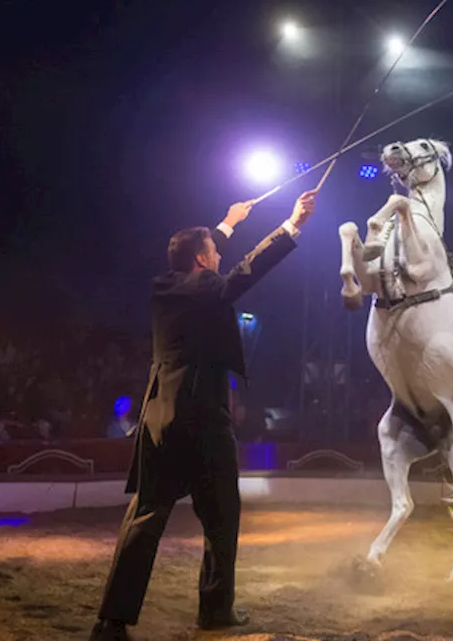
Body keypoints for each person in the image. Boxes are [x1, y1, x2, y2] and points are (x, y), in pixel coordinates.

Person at [91, 189, 317, 641]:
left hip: (160, 417)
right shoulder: (208, 286)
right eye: (213, 252)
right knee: (221, 515)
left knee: (146, 516)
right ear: (201, 260)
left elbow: (206, 263)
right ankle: (215, 610)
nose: (218, 256)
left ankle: (111, 621)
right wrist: (291, 225)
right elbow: (238, 276)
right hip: (201, 420)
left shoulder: (164, 285)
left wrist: (227, 223)